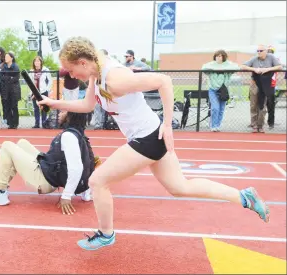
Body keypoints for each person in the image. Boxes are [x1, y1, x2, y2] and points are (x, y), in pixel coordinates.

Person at [37, 36, 270, 251]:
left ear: (82, 62)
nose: (71, 75)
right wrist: (54, 103)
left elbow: (164, 81)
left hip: (148, 138)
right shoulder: (95, 74)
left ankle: (106, 234)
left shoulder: (115, 78)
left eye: (71, 70)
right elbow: (88, 106)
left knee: (97, 181)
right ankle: (244, 196)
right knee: (180, 188)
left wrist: (168, 125)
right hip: (150, 136)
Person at [0, 111, 101, 215]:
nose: (59, 114)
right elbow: (89, 163)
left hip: (44, 181)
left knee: (7, 145)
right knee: (22, 143)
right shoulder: (79, 134)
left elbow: (77, 168)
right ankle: (1, 181)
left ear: (70, 115)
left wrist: (67, 196)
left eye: (63, 111)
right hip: (50, 171)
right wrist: (86, 193)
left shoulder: (68, 136)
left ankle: (0, 193)